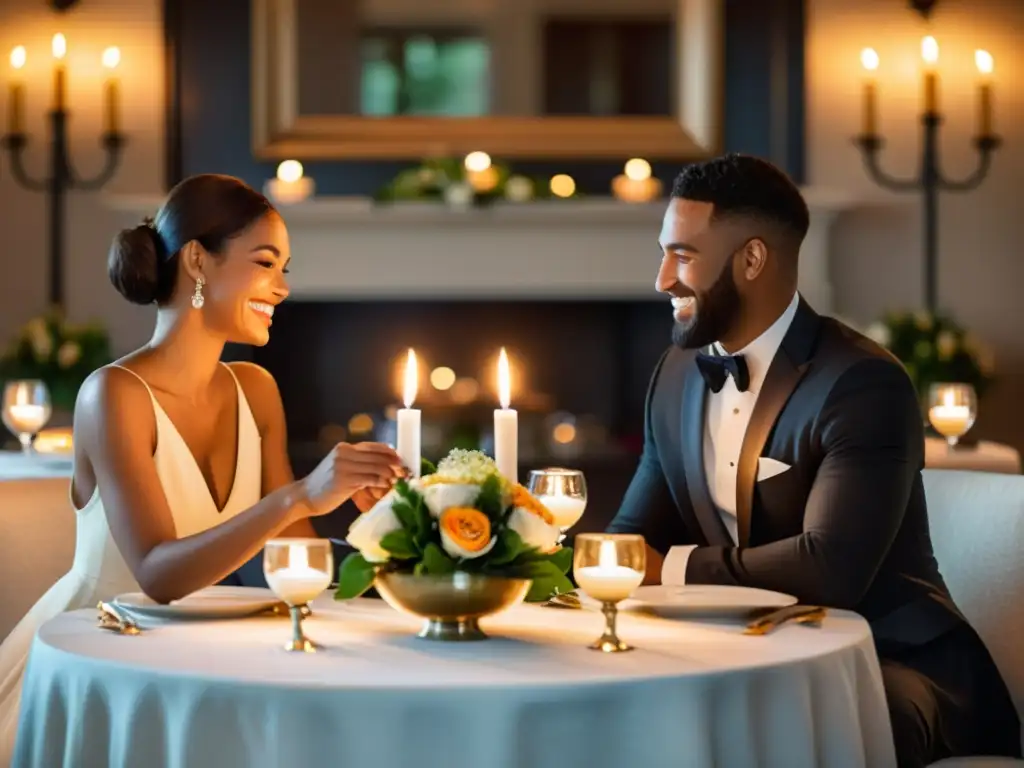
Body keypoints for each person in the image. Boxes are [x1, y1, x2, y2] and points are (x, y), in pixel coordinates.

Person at [607, 154, 1020, 766]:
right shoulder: (675, 374)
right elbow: (628, 541)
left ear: (751, 260)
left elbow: (830, 569)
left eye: (684, 255)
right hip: (744, 653)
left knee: (797, 734)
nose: (663, 279)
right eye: (665, 252)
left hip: (893, 660)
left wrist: (671, 570)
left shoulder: (862, 382)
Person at [0, 174, 405, 760]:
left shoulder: (257, 390)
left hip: (197, 663)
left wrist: (382, 527)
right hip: (94, 666)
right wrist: (298, 496)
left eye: (285, 268)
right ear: (198, 260)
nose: (283, 288)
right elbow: (158, 576)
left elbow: (295, 570)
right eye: (266, 263)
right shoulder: (113, 394)